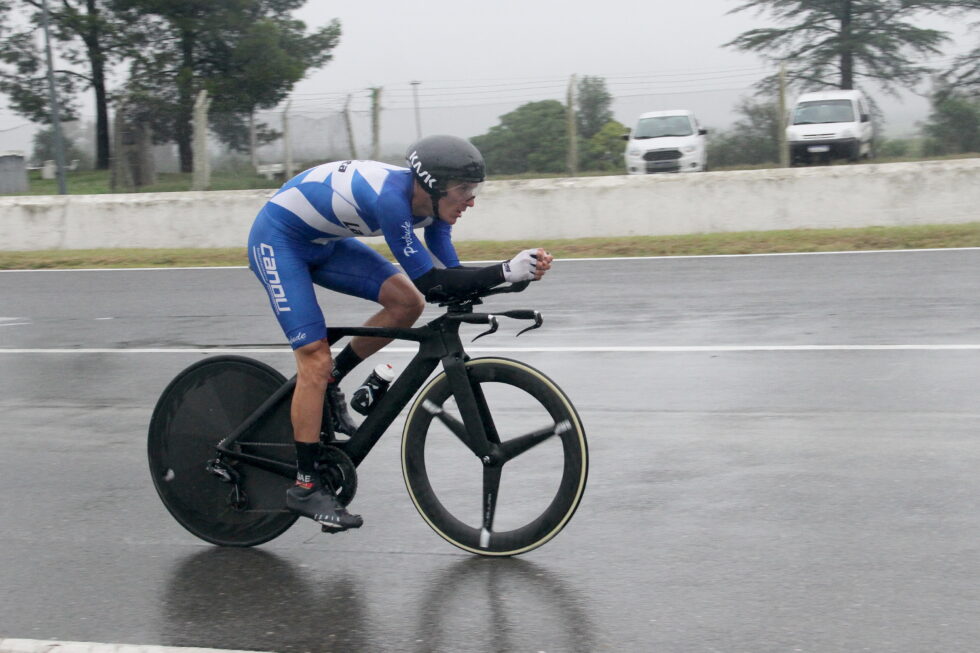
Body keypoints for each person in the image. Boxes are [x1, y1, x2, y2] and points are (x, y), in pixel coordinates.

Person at [247, 135, 553, 531]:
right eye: (463, 190)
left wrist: (513, 276)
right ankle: (305, 486)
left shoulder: (433, 209)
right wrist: (503, 271)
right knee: (314, 358)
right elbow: (432, 280)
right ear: (432, 185)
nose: (471, 201)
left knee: (406, 304)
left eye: (474, 190)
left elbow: (452, 281)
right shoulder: (393, 201)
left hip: (325, 243)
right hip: (278, 240)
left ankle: (331, 382)